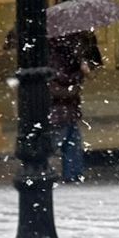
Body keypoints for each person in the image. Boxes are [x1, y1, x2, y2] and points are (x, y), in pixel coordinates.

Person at [49, 29, 102, 182]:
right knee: (59, 143)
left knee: (71, 143)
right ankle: (69, 175)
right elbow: (58, 87)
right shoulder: (59, 58)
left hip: (66, 112)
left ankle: (73, 176)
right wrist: (79, 75)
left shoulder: (67, 57)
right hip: (60, 112)